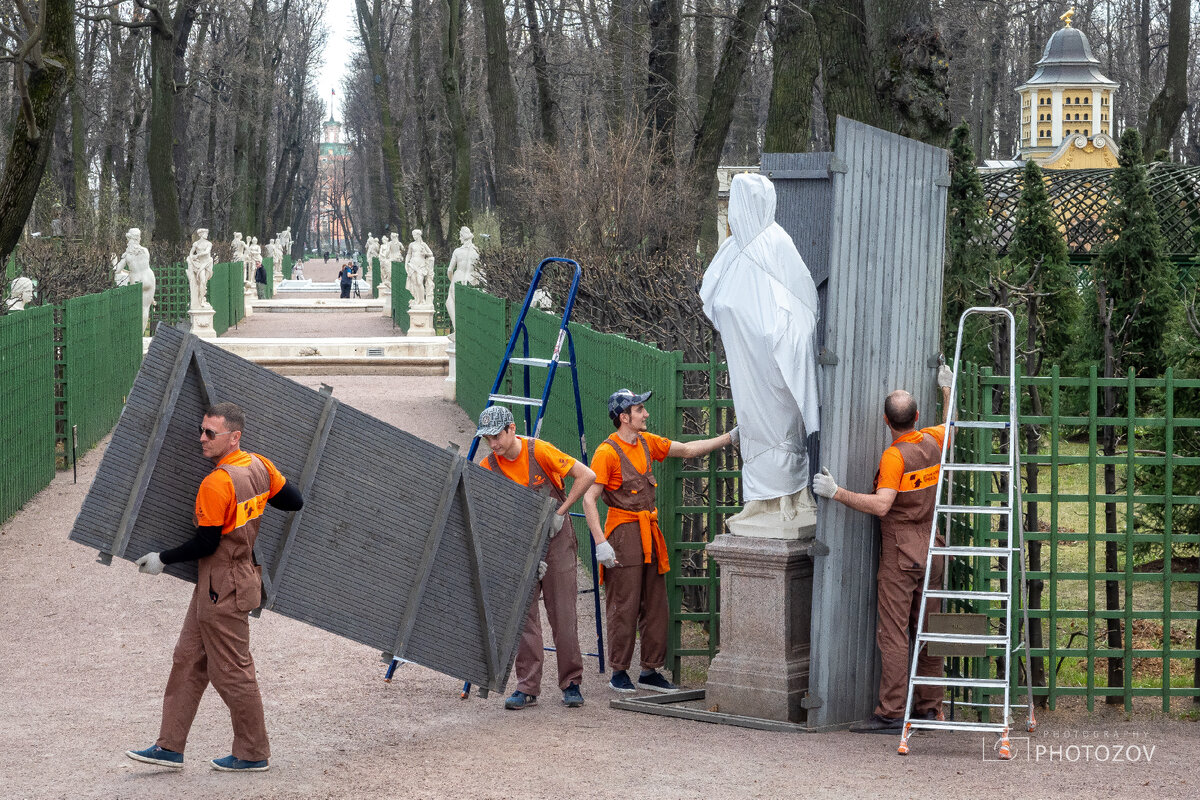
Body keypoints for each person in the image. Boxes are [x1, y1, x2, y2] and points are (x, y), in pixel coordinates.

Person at [126, 402, 304, 772]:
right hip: (230, 578)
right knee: (187, 658)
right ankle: (169, 748)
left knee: (233, 671)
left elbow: (205, 544)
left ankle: (253, 754)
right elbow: (294, 501)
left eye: (211, 433)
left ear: (233, 436)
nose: (202, 438)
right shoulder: (259, 465)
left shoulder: (217, 482)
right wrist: (259, 496)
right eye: (202, 430)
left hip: (221, 584)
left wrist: (162, 558)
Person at [811, 366, 954, 733]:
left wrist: (836, 492)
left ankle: (891, 712)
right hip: (934, 550)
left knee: (893, 633)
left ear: (886, 421)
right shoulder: (934, 440)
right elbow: (952, 424)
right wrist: (948, 390)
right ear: (917, 417)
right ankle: (929, 708)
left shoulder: (895, 456)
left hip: (901, 550)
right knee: (930, 630)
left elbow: (881, 505)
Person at [584, 389, 737, 693]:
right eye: (639, 410)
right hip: (623, 534)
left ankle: (649, 670)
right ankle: (619, 671)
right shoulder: (607, 453)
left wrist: (730, 438)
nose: (646, 414)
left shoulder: (647, 442)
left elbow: (689, 450)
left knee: (656, 604)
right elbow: (589, 499)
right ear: (624, 417)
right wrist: (601, 543)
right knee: (624, 604)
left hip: (649, 533)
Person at [475, 406, 609, 710]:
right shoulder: (487, 466)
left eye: (496, 436)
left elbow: (587, 475)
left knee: (562, 612)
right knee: (523, 616)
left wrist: (559, 515)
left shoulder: (540, 451)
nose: (493, 444)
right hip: (521, 544)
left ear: (510, 429)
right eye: (487, 439)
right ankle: (527, 687)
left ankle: (571, 682)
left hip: (556, 539)